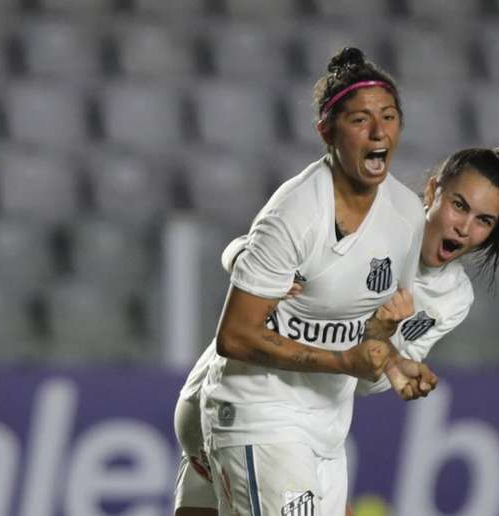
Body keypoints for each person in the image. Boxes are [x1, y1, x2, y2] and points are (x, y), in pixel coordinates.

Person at [173, 145, 499, 515]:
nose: (465, 227)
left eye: (484, 221)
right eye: (459, 205)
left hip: (310, 421)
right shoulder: (377, 218)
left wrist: (382, 340)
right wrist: (246, 261)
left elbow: (366, 379)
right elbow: (255, 246)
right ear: (432, 191)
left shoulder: (451, 298)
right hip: (246, 403)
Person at [191, 46, 434, 516]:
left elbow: (374, 322)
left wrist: (392, 360)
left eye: (388, 116)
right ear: (327, 130)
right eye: (360, 119)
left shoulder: (405, 216)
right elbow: (235, 336)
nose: (379, 131)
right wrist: (343, 359)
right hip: (259, 411)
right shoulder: (296, 213)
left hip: (326, 427)